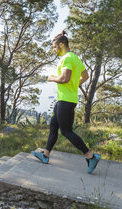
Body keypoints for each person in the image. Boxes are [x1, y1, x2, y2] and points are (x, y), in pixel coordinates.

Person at [31, 31, 101, 174]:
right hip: (64, 100)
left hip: (66, 101)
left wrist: (51, 78)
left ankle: (91, 156)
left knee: (66, 131)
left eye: (54, 47)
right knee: (53, 127)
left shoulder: (67, 58)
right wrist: (75, 85)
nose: (54, 50)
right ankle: (45, 155)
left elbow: (64, 79)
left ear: (61, 45)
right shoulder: (74, 58)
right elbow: (85, 76)